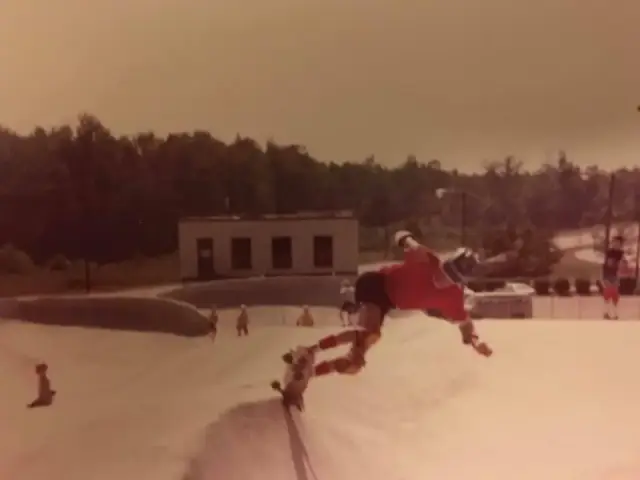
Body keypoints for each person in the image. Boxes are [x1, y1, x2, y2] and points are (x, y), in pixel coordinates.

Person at [284, 231, 507, 380]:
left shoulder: (453, 297)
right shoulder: (426, 258)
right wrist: (405, 239)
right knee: (370, 332)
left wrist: (476, 343)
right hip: (375, 283)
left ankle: (307, 374)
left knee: (355, 364)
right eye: (446, 271)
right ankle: (310, 350)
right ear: (446, 263)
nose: (444, 279)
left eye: (452, 279)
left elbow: (465, 324)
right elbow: (403, 236)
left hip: (388, 302)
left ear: (459, 282)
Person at [601, 235, 631, 320]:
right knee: (608, 292)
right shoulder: (609, 252)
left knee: (614, 294)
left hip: (615, 274)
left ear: (620, 244)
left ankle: (614, 313)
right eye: (614, 242)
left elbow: (624, 263)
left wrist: (622, 264)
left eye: (617, 243)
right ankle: (606, 312)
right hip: (607, 274)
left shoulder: (621, 253)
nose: (615, 244)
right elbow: (607, 264)